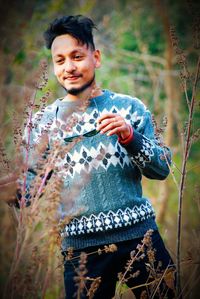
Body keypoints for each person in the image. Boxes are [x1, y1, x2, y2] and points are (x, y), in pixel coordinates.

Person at [1, 15, 175, 299]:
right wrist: (11, 190)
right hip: (81, 252)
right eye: (60, 60)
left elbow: (161, 169)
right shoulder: (42, 125)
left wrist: (131, 137)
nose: (69, 67)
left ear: (96, 57)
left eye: (77, 56)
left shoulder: (129, 108)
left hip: (141, 240)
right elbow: (31, 190)